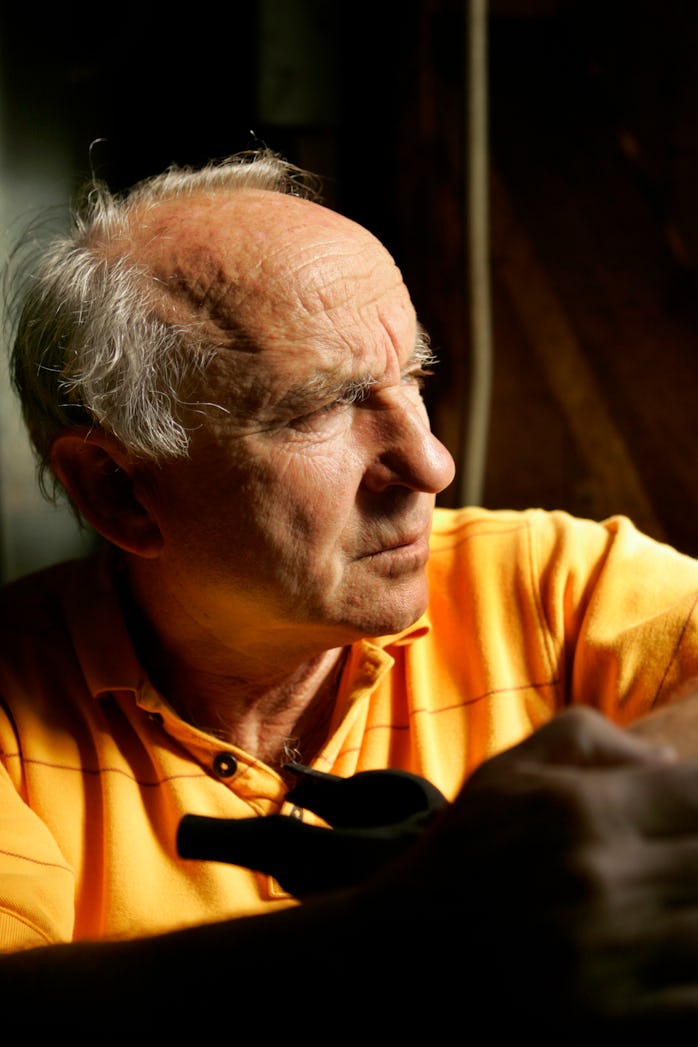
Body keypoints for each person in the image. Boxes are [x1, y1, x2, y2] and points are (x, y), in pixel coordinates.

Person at [3, 147, 698, 1034]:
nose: (432, 464)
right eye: (322, 407)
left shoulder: (547, 583)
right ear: (118, 488)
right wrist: (417, 933)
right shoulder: (11, 707)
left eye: (414, 378)